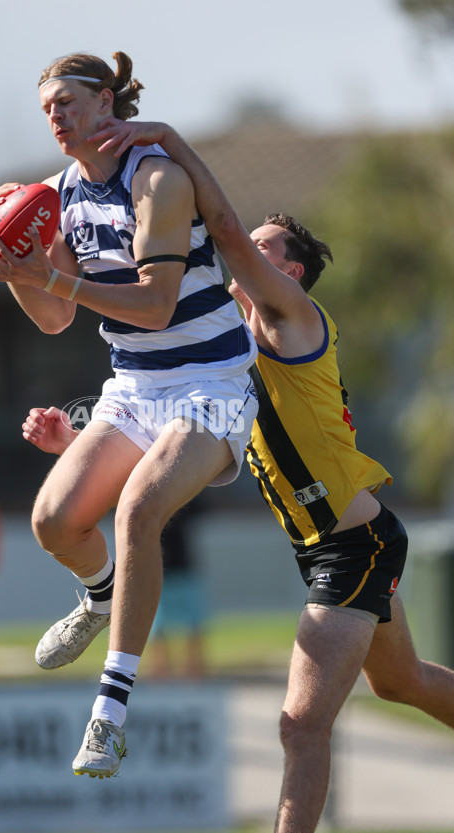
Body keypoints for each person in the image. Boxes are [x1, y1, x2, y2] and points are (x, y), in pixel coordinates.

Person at [24, 118, 454, 830]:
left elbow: (217, 222)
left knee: (298, 726)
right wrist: (77, 441)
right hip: (325, 543)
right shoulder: (216, 357)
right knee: (402, 681)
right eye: (249, 241)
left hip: (356, 545)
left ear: (288, 272)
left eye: (263, 247)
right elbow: (165, 425)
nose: (240, 248)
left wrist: (165, 143)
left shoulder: (291, 316)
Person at [0, 51, 258, 777]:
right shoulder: (62, 191)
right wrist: (16, 267)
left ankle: (108, 714)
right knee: (52, 521)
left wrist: (50, 271)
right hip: (135, 384)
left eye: (67, 101)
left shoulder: (157, 177)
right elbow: (52, 315)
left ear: (108, 103)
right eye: (47, 108)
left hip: (209, 381)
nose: (56, 117)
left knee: (138, 512)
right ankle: (101, 594)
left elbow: (157, 304)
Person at [148, 497, 208, 679]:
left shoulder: (182, 499)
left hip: (183, 567)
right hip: (159, 571)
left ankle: (194, 667)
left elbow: (202, 506)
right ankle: (160, 668)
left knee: (193, 621)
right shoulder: (150, 504)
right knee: (157, 624)